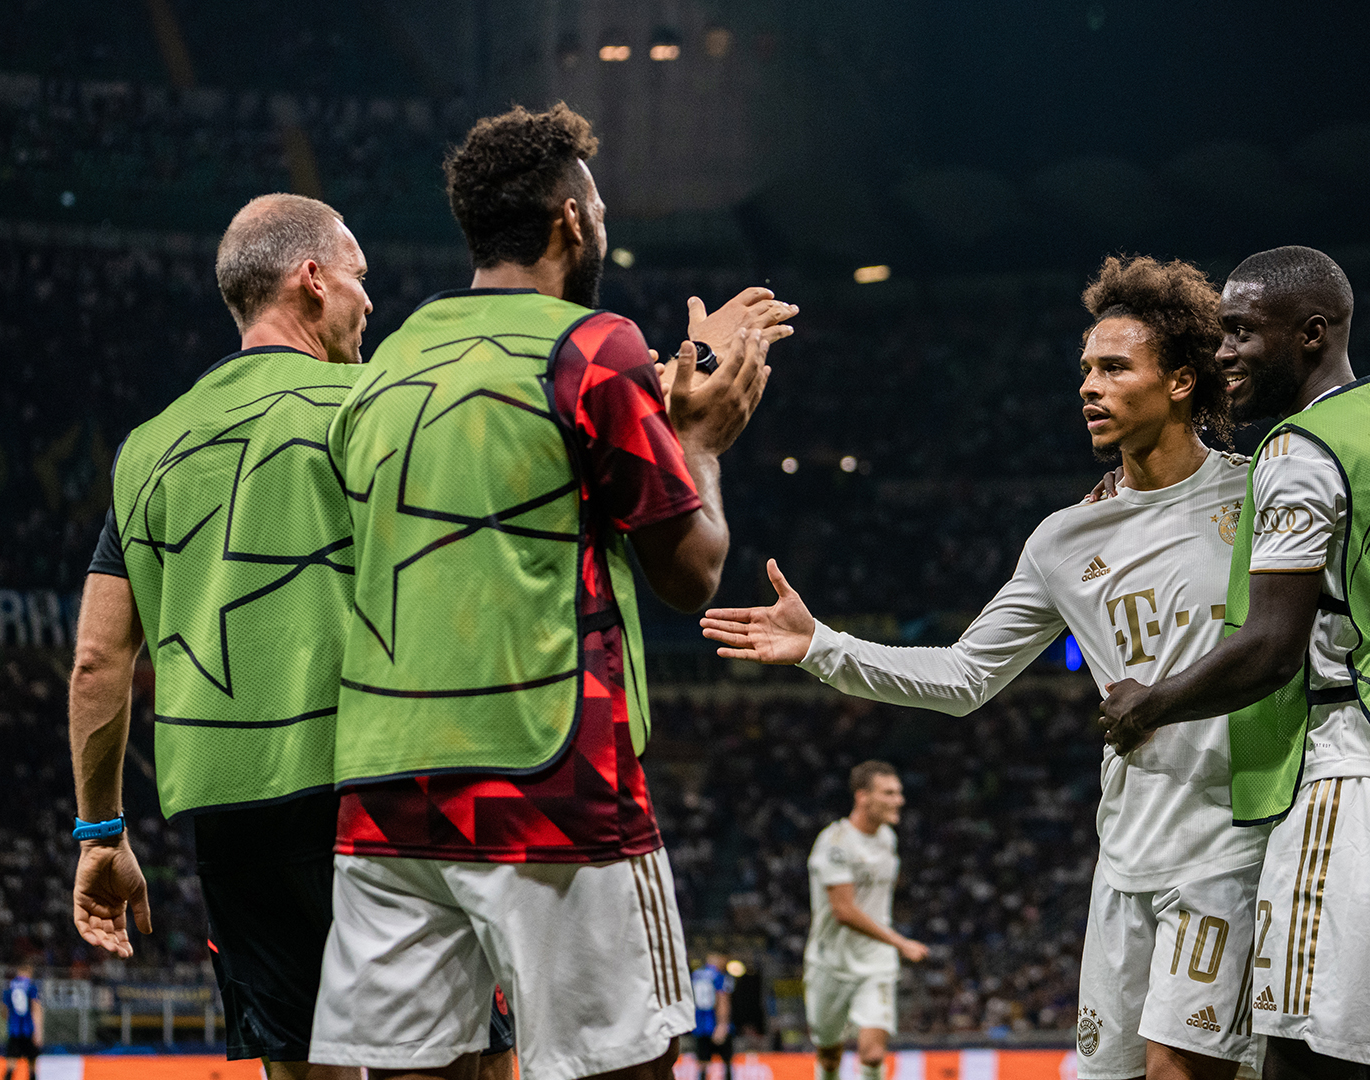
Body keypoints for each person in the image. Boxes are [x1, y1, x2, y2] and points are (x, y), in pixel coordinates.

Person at [705, 255, 1276, 1080]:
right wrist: (822, 646)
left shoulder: (1257, 495)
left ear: (1184, 381)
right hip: (1124, 859)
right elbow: (967, 676)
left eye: (1115, 368)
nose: (1089, 385)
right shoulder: (1062, 538)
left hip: (1232, 845)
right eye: (1085, 369)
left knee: (1178, 1072)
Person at [308, 102, 779, 1080]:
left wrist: (651, 392)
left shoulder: (387, 364)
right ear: (572, 220)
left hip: (385, 797)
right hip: (549, 780)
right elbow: (690, 573)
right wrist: (698, 439)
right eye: (598, 209)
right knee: (621, 1066)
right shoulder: (592, 345)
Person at [1097, 246, 1370, 1080]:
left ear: (1312, 334)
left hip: (1354, 774)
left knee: (1303, 1058)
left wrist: (1150, 703)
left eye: (1242, 332)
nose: (1224, 353)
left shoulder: (1297, 448)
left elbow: (1272, 649)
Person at [68, 193, 377, 1080]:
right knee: (461, 1051)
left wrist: (100, 832)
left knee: (301, 1061)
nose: (369, 301)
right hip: (368, 780)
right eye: (359, 277)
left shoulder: (147, 448)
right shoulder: (368, 406)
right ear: (311, 281)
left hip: (230, 806)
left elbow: (96, 661)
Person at [802, 763, 928, 1080]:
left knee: (872, 1054)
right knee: (829, 1055)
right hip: (830, 962)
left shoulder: (887, 838)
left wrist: (889, 944)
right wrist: (900, 942)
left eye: (898, 792)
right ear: (863, 797)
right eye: (888, 793)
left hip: (876, 961)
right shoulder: (835, 844)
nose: (898, 800)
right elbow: (843, 911)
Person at [691, 953, 735, 1080]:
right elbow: (722, 998)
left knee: (703, 1062)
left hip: (699, 1025)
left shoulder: (695, 975)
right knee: (727, 1062)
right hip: (715, 1023)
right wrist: (722, 1024)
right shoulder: (719, 975)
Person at [0, 963, 40, 1080]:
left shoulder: (9, 987)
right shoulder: (31, 987)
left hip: (14, 1030)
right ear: (28, 973)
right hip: (28, 1030)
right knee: (32, 1066)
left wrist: (11, 1021)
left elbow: (4, 1011)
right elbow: (36, 1009)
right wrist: (38, 1033)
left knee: (11, 1066)